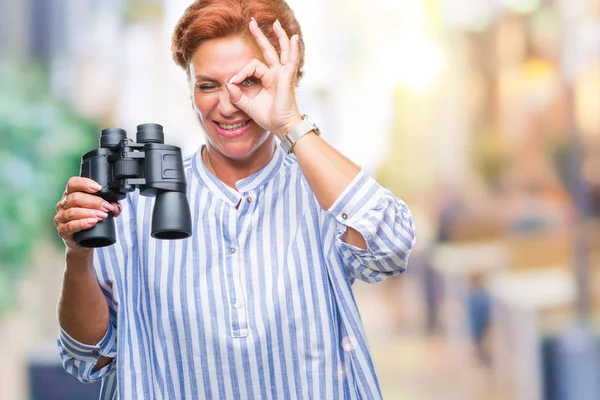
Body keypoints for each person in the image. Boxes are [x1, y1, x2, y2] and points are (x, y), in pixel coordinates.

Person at [53, 1, 416, 398]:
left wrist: (290, 125)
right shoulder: (139, 204)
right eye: (207, 85)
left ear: (287, 80)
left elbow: (391, 249)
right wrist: (78, 255)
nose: (227, 105)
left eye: (248, 82)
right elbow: (88, 358)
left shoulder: (322, 189)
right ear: (190, 89)